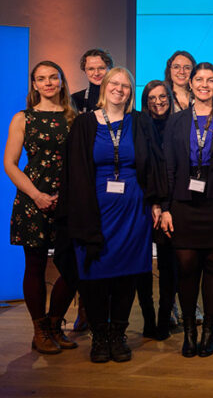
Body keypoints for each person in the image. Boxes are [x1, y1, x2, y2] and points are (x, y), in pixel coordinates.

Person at [63, 67, 166, 363]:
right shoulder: (84, 123)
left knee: (127, 275)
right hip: (93, 210)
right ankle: (99, 336)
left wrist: (156, 204)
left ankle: (118, 335)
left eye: (125, 86)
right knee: (94, 275)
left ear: (131, 93)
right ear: (104, 87)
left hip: (134, 209)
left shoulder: (140, 122)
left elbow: (154, 165)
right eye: (114, 84)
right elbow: (74, 171)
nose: (119, 89)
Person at [161, 63, 213, 358]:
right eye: (199, 79)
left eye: (210, 80)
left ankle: (209, 329)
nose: (204, 84)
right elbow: (168, 166)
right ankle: (189, 333)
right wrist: (166, 207)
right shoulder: (177, 121)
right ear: (190, 84)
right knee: (186, 266)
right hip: (183, 203)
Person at [5, 61, 79, 353]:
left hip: (68, 202)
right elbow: (10, 164)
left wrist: (69, 195)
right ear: (34, 85)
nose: (48, 83)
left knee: (73, 268)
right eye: (41, 79)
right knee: (34, 267)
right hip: (32, 199)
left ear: (61, 81)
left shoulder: (75, 117)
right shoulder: (23, 118)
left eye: (53, 78)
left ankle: (54, 323)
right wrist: (36, 195)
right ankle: (39, 331)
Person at [133, 80, 175, 340]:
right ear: (144, 100)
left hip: (170, 205)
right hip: (142, 204)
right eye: (152, 97)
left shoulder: (179, 124)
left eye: (162, 97)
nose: (158, 102)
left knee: (170, 265)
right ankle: (148, 319)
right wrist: (151, 202)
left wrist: (165, 204)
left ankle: (163, 319)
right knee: (141, 265)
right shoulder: (136, 125)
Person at [71, 49, 113, 113]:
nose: (96, 73)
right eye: (91, 69)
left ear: (110, 69)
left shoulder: (119, 96)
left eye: (101, 68)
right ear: (85, 71)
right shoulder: (75, 99)